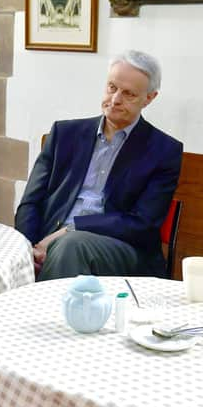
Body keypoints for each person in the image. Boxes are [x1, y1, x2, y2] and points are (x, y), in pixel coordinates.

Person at [15, 50, 183, 280]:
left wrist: (73, 228)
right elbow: (31, 202)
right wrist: (28, 248)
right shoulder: (64, 134)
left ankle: (39, 314)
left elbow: (142, 224)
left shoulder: (164, 151)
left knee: (70, 245)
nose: (115, 100)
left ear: (150, 98)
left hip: (121, 248)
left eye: (129, 94)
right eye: (112, 87)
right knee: (6, 250)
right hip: (49, 239)